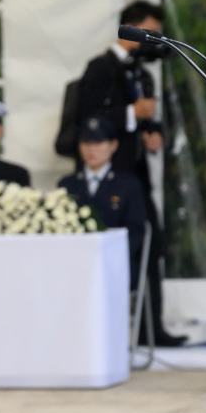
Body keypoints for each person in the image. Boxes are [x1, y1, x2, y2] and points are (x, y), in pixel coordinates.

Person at [76, 0, 183, 346]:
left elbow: (148, 121)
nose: (155, 42)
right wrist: (130, 113)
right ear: (132, 30)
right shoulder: (100, 68)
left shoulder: (143, 74)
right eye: (151, 33)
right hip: (109, 176)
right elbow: (87, 118)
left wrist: (154, 132)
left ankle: (152, 327)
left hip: (137, 178)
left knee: (150, 244)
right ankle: (100, 328)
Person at [58, 117, 146, 290]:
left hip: (115, 266)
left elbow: (135, 231)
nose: (91, 149)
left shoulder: (128, 185)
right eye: (86, 143)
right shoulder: (67, 185)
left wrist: (107, 256)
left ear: (113, 145)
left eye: (98, 142)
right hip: (75, 266)